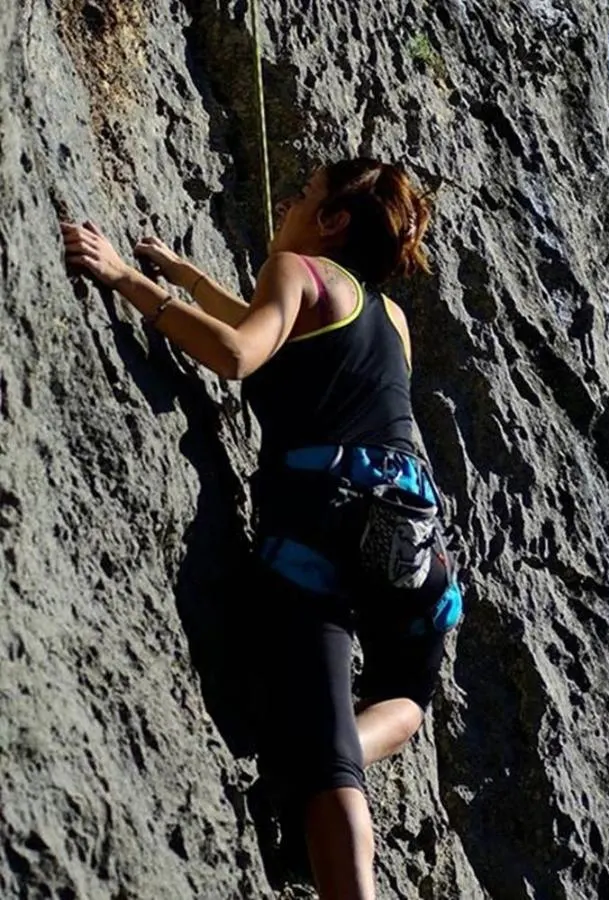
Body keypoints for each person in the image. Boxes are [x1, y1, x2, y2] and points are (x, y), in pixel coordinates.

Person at [61, 158, 463, 900]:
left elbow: (241, 351)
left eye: (305, 195)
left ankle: (325, 773)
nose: (290, 200)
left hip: (324, 524)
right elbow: (283, 331)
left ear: (333, 222)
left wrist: (127, 280)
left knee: (327, 768)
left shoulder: (295, 267)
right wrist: (188, 277)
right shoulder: (391, 318)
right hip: (413, 535)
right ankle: (328, 746)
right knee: (407, 695)